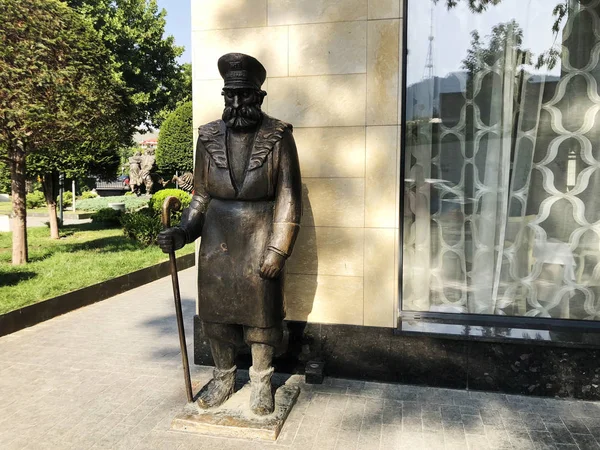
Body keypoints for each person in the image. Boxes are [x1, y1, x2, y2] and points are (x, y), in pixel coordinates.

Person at [157, 53, 302, 416]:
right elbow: (201, 198)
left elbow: (288, 198)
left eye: (244, 96)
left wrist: (278, 250)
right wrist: (183, 232)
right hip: (217, 241)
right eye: (230, 96)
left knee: (261, 317)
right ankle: (223, 377)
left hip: (260, 235)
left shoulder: (279, 137)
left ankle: (261, 381)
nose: (236, 104)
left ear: (259, 97)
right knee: (216, 316)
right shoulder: (207, 137)